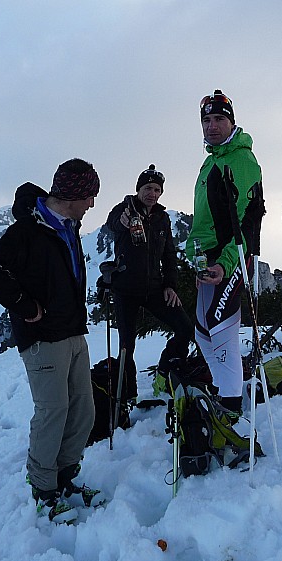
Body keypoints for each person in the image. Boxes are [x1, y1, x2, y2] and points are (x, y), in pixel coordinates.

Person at [0, 158, 103, 523]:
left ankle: (65, 477)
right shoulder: (29, 230)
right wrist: (24, 305)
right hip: (44, 338)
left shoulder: (68, 225)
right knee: (52, 412)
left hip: (73, 331)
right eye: (90, 196)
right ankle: (44, 489)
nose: (92, 204)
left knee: (83, 408)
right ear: (73, 194)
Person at [185, 90, 265, 419]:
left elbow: (249, 221)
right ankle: (224, 389)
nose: (212, 126)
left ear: (231, 121)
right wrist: (197, 255)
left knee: (221, 331)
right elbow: (201, 222)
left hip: (231, 258)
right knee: (203, 330)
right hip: (209, 258)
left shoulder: (242, 160)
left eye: (219, 119)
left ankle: (231, 407)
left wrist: (226, 262)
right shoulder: (209, 162)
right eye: (206, 120)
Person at [104, 165, 194, 404]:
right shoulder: (123, 210)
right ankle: (128, 395)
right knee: (126, 346)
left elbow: (169, 254)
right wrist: (121, 222)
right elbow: (112, 223)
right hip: (125, 289)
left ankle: (165, 372)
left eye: (156, 189)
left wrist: (170, 285)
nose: (152, 193)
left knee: (185, 328)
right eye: (147, 188)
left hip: (155, 288)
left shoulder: (162, 218)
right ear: (138, 189)